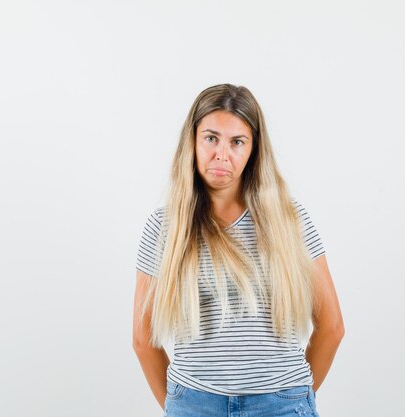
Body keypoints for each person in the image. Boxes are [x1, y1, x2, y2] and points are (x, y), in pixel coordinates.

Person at [132, 83, 344, 417]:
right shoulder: (165, 226)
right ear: (193, 140)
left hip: (280, 404)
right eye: (211, 138)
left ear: (254, 150)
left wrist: (293, 398)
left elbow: (332, 326)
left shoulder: (290, 220)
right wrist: (181, 407)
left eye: (237, 142)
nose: (222, 154)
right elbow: (143, 340)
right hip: (195, 403)